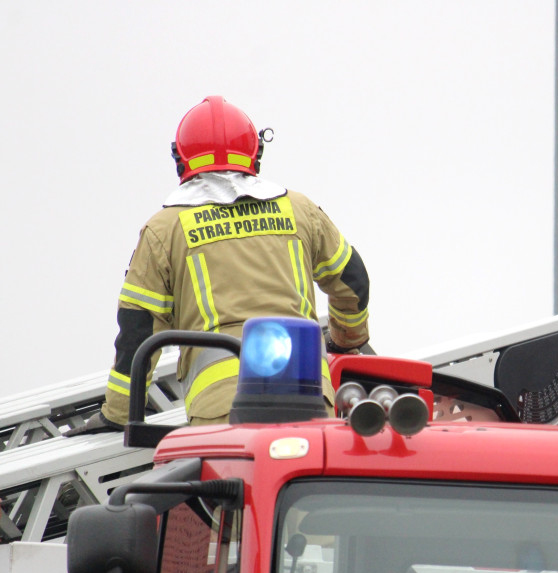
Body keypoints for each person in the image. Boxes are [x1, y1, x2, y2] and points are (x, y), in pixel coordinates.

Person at [66, 95, 370, 435]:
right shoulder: (299, 209)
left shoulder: (163, 230)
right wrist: (345, 340)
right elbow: (353, 281)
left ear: (181, 160)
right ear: (255, 154)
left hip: (219, 413)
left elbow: (138, 330)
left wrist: (119, 415)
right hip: (309, 397)